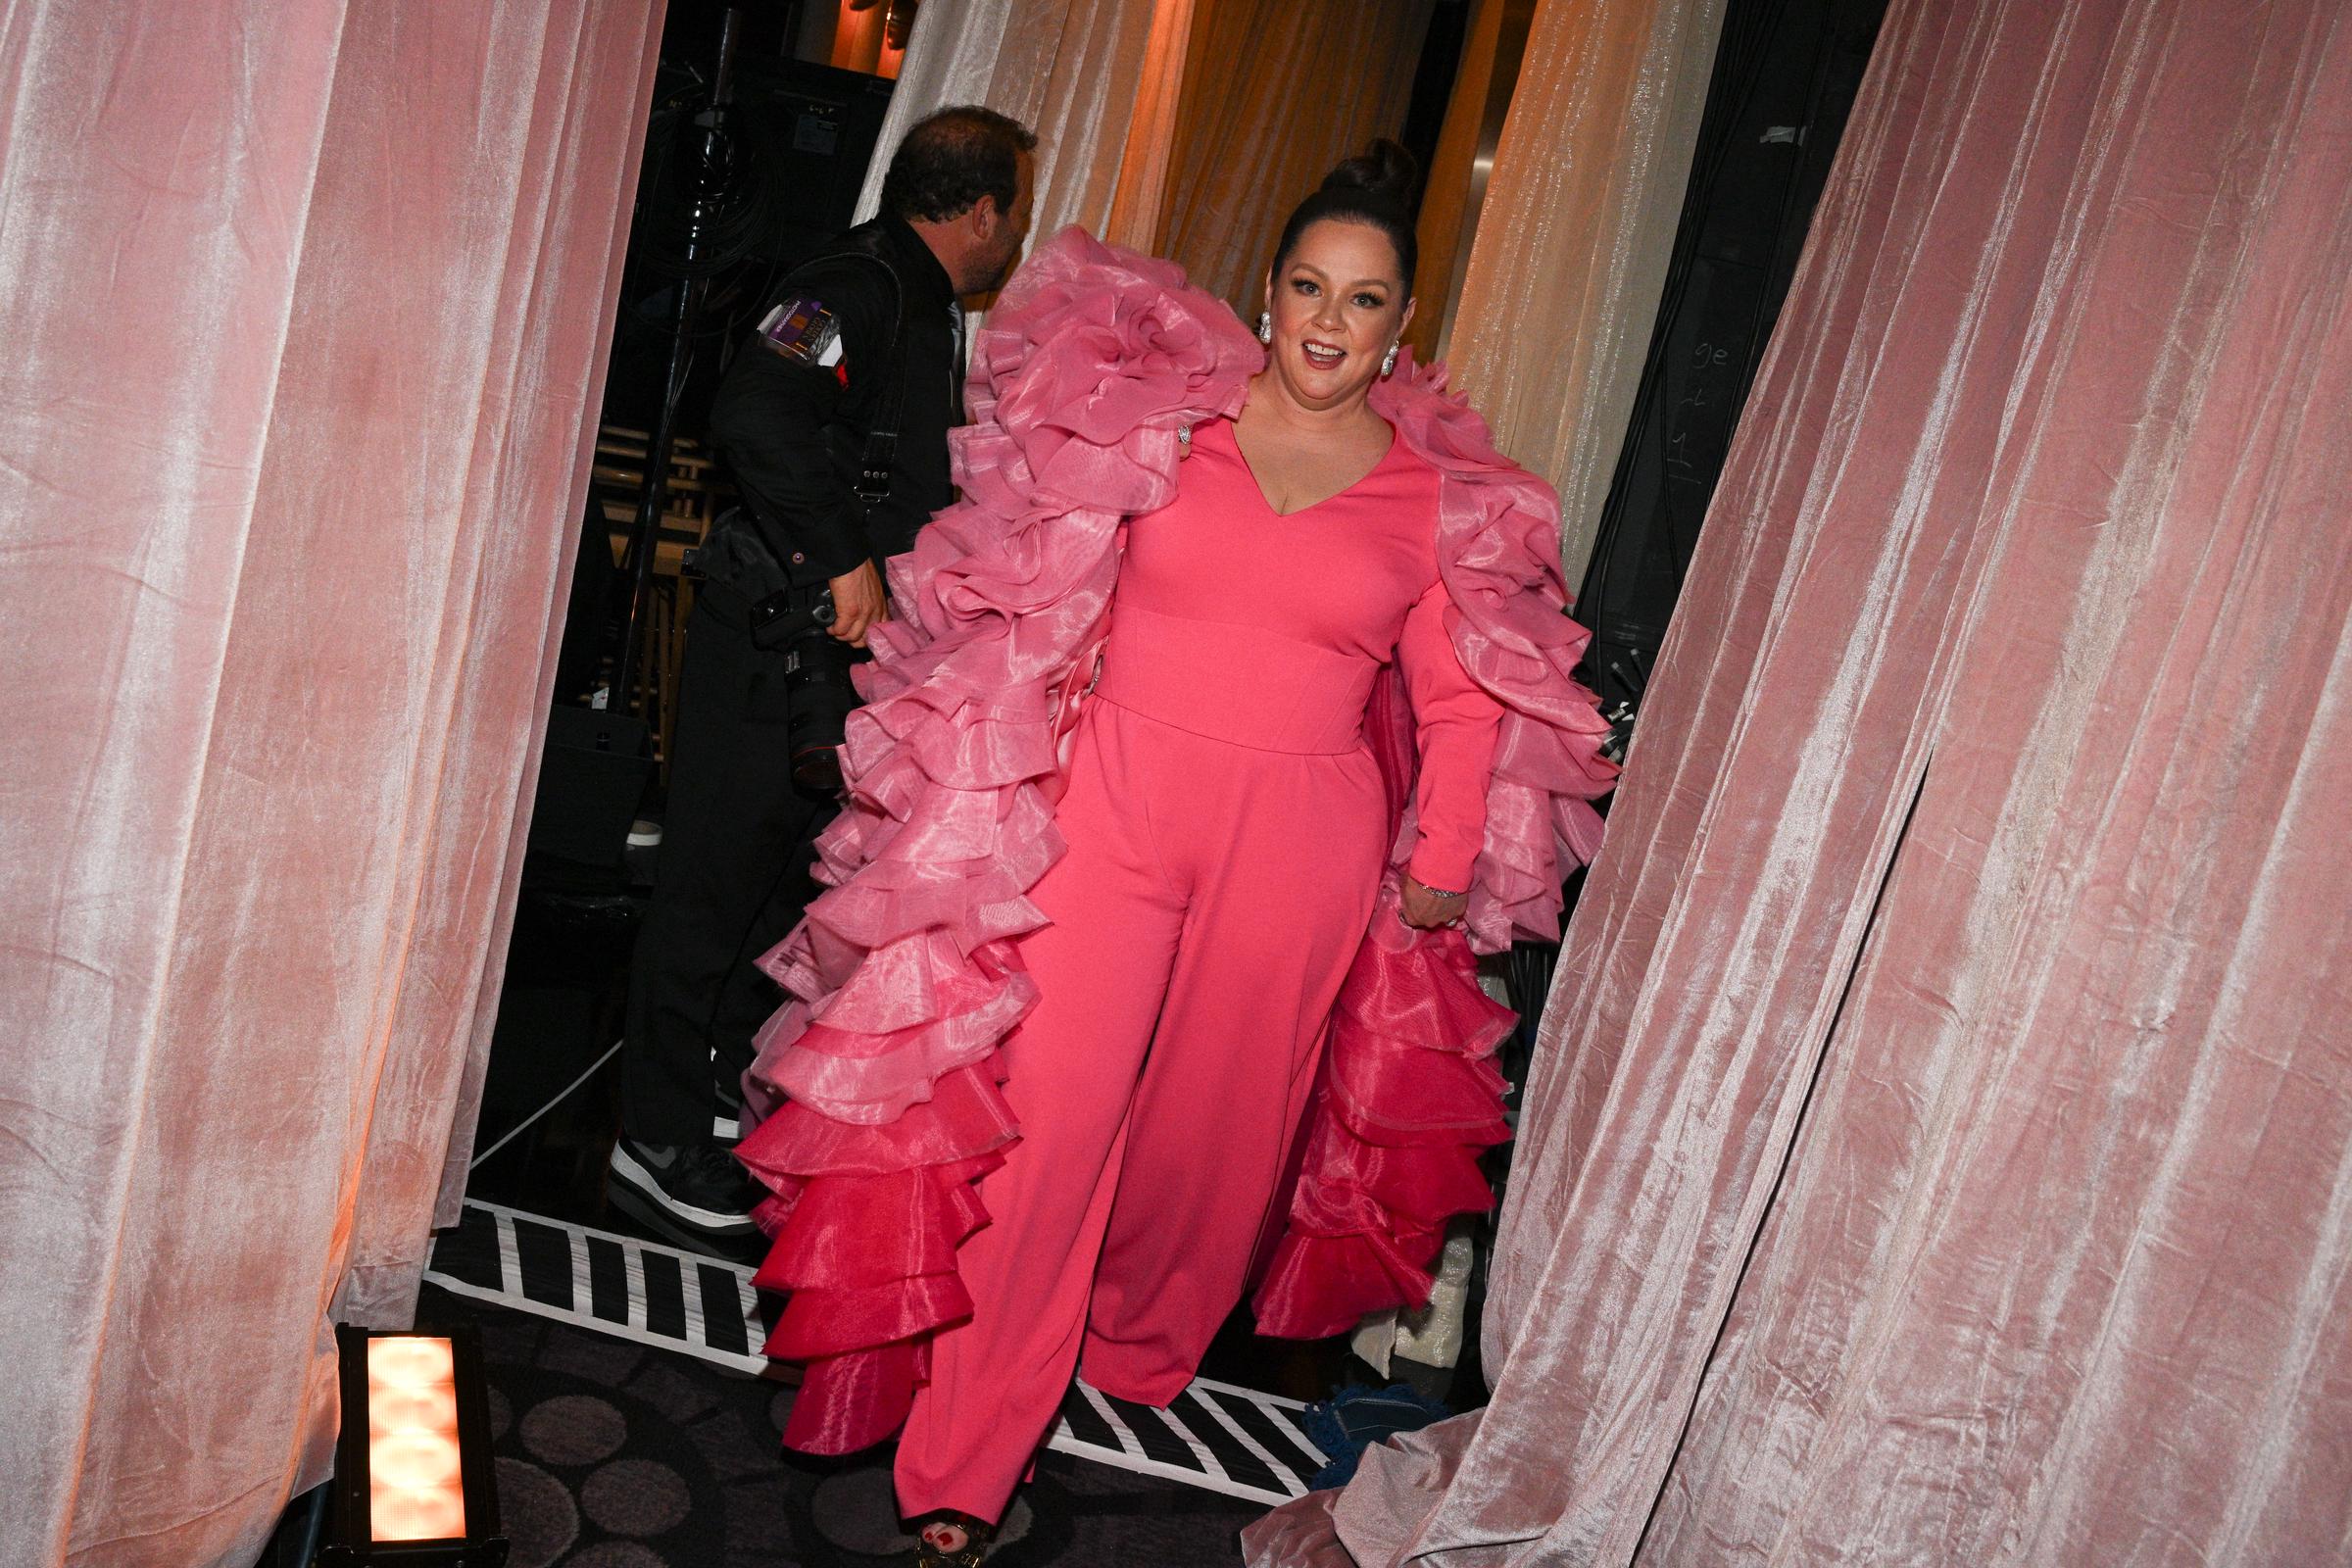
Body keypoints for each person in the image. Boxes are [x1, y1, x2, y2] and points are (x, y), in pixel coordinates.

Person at [736, 143, 1616, 1566]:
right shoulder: (1160, 425)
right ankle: (970, 1447)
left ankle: (1136, 1345)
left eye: (1366, 300)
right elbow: (1033, 574)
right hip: (1112, 812)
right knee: (1049, 1118)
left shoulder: (1437, 496)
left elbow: (1462, 699)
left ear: (1403, 325)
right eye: (1311, 287)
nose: (1332, 321)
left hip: (1304, 846)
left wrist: (1446, 849)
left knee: (1218, 1139)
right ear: (1267, 295)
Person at [610, 106, 1037, 1255]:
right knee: (706, 887)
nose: (1015, 236)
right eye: (1016, 212)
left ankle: (693, 1100)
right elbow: (755, 409)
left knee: (763, 896)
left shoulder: (907, 297)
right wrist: (843, 552)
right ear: (986, 209)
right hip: (770, 639)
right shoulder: (856, 283)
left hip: (809, 656)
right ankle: (649, 1136)